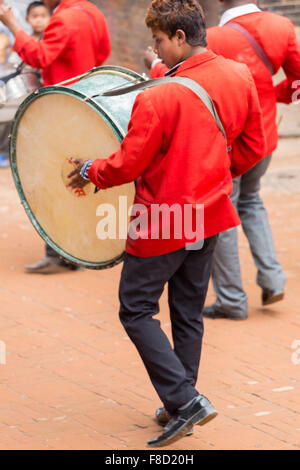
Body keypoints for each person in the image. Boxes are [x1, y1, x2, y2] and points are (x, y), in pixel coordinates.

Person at [68, 0, 266, 447]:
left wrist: (88, 170)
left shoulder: (158, 94)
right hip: (211, 212)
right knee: (188, 311)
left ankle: (184, 399)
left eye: (158, 40)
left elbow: (125, 165)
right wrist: (215, 173)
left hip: (163, 219)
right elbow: (253, 146)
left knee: (135, 307)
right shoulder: (238, 75)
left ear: (179, 37)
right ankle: (183, 400)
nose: (154, 49)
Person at [146, 0, 300, 320]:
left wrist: (154, 66)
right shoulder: (282, 27)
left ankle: (232, 299)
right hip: (265, 135)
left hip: (228, 144)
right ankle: (272, 278)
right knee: (252, 202)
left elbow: (187, 75)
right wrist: (276, 94)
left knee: (223, 214)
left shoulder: (214, 37)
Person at [0, 0, 111, 273]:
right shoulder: (93, 12)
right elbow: (103, 53)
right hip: (85, 102)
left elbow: (40, 57)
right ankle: (78, 249)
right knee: (77, 176)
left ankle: (60, 252)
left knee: (52, 179)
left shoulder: (63, 19)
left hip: (61, 109)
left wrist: (13, 25)